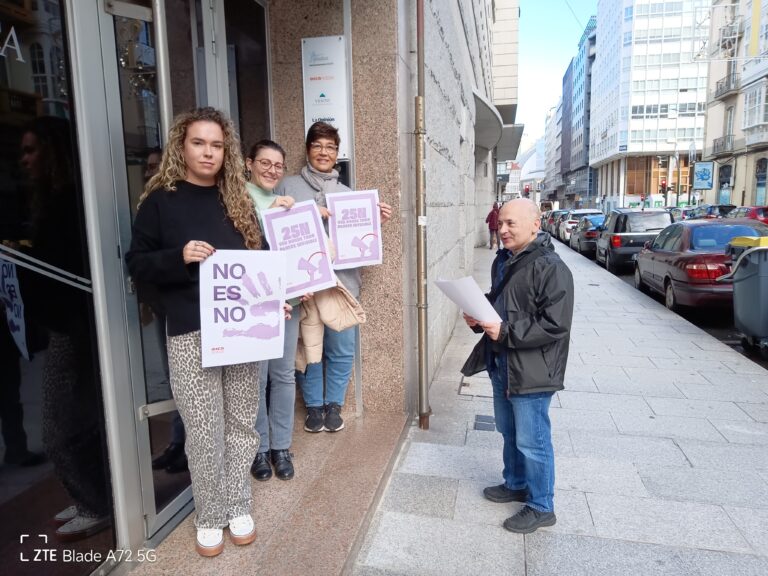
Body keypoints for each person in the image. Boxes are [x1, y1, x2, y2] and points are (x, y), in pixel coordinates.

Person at [126, 107, 274, 557]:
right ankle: (210, 515)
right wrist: (180, 256)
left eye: (216, 144)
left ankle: (239, 504)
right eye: (198, 143)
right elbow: (136, 263)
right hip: (191, 331)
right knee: (203, 428)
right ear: (182, 146)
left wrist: (275, 300)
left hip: (244, 331)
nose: (208, 152)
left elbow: (261, 260)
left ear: (226, 150)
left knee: (241, 425)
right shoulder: (161, 201)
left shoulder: (240, 200)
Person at [461, 198, 574, 534]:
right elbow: (503, 299)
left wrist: (506, 330)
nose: (503, 229)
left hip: (533, 371)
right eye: (501, 223)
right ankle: (516, 482)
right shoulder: (504, 260)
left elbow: (555, 324)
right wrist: (478, 314)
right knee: (508, 430)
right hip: (502, 362)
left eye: (511, 223)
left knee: (533, 439)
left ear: (535, 225)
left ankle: (542, 505)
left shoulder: (551, 267)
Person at [276, 122, 392, 433]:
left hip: (343, 283)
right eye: (318, 146)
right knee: (308, 348)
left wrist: (374, 219)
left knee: (341, 348)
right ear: (308, 150)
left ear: (337, 153)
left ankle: (333, 405)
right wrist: (314, 211)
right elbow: (275, 225)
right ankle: (313, 406)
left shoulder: (348, 194)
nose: (324, 152)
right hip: (303, 286)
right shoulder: (287, 187)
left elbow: (359, 238)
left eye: (330, 147)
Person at [244, 139, 302, 481]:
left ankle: (281, 446)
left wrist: (306, 280)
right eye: (265, 163)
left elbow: (300, 246)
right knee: (257, 378)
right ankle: (260, 449)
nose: (271, 170)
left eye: (278, 165)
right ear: (250, 163)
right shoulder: (239, 198)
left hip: (289, 301)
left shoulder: (289, 204)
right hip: (255, 302)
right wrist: (271, 211)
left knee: (283, 375)